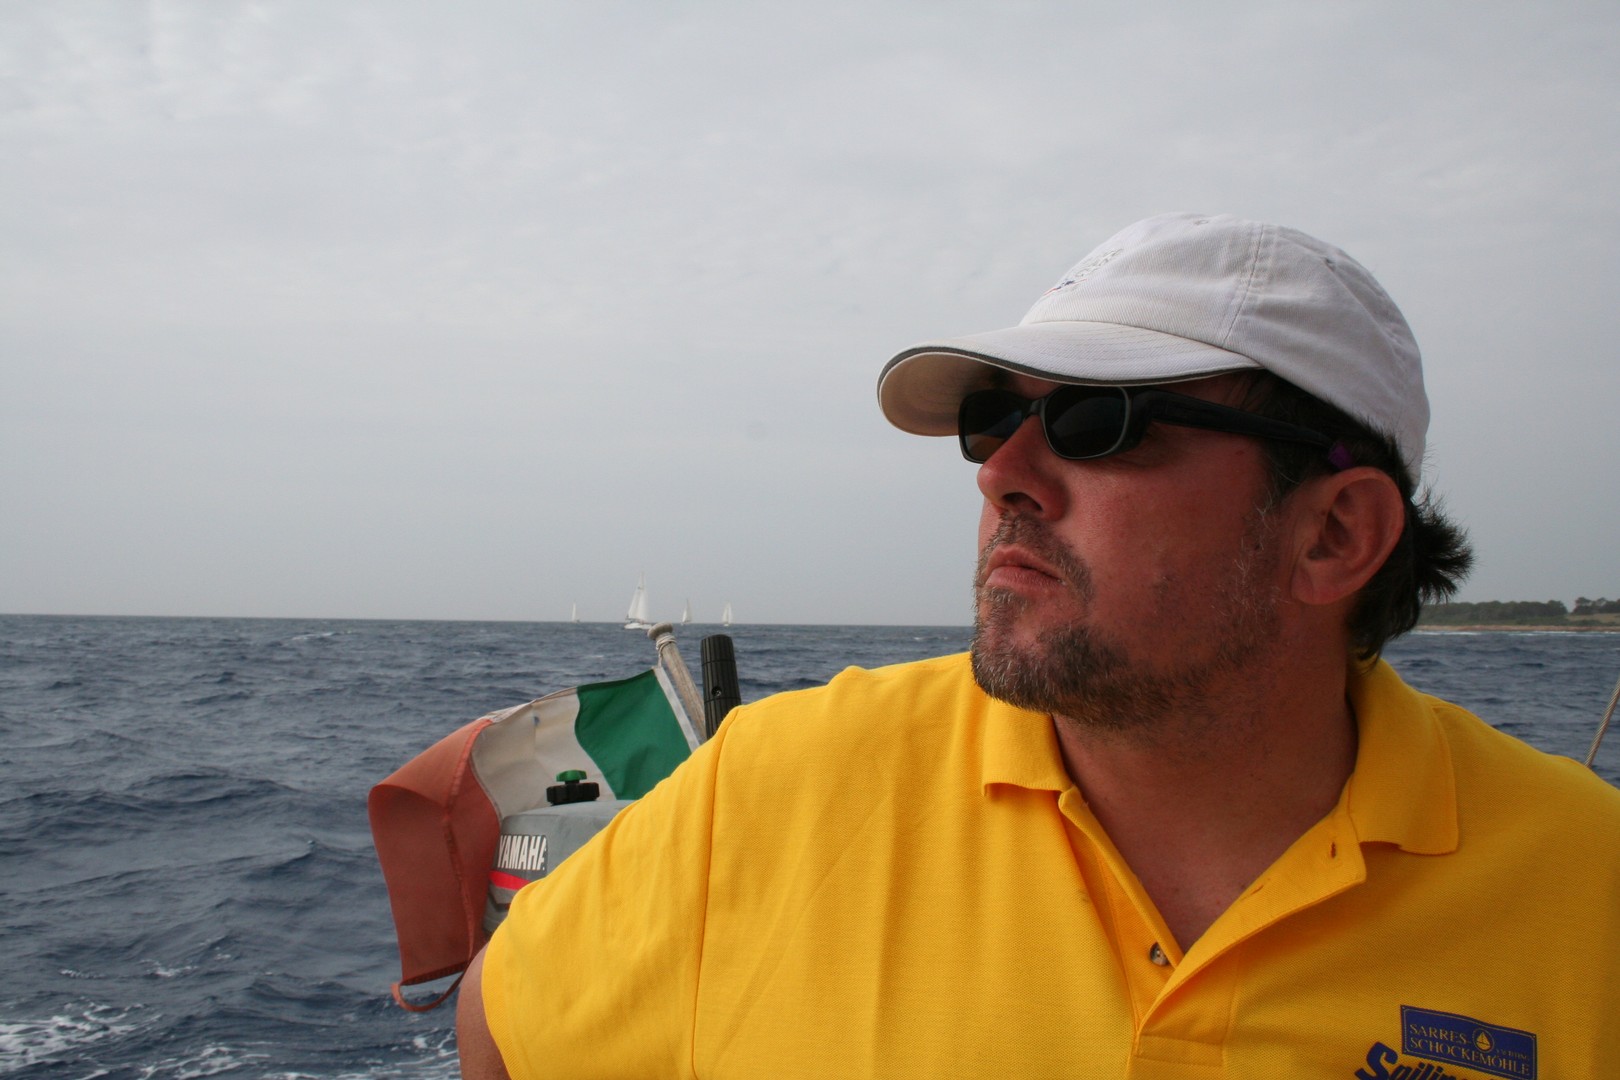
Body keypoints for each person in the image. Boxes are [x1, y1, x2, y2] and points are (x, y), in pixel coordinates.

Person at [459, 212, 1620, 1078]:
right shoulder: (770, 789)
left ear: (1334, 534)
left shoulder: (1589, 895)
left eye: (1097, 422)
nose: (1002, 472)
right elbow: (504, 1028)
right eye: (993, 419)